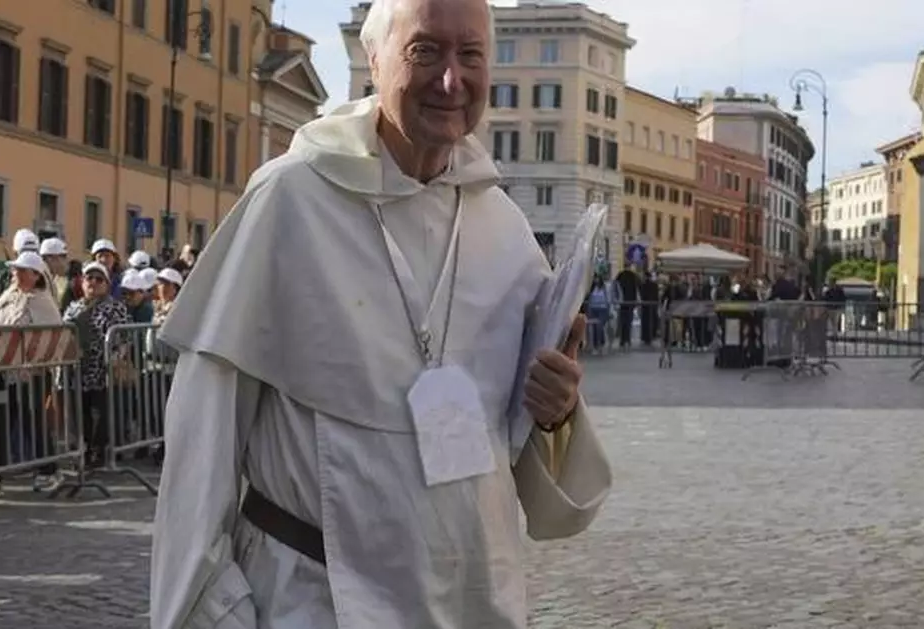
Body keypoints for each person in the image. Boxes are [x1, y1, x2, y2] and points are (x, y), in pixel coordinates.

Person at [150, 0, 611, 626]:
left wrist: (554, 413)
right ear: (375, 60)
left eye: (470, 54)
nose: (452, 80)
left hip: (470, 600)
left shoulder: (504, 229)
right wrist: (208, 604)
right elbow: (204, 430)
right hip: (314, 602)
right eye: (426, 51)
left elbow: (514, 447)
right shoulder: (288, 200)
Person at [0, 252, 64, 498]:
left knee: (34, 423)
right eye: (15, 270)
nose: (16, 274)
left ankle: (49, 470)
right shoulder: (8, 295)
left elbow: (52, 339)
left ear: (36, 275)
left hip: (29, 375)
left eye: (22, 271)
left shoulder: (43, 301)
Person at [62, 262, 132, 468]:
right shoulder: (74, 307)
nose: (92, 282)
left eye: (98, 279)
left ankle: (98, 451)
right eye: (88, 278)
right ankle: (82, 449)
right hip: (77, 369)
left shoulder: (115, 307)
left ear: (107, 284)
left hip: (102, 370)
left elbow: (125, 336)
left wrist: (116, 358)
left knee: (100, 412)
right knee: (79, 412)